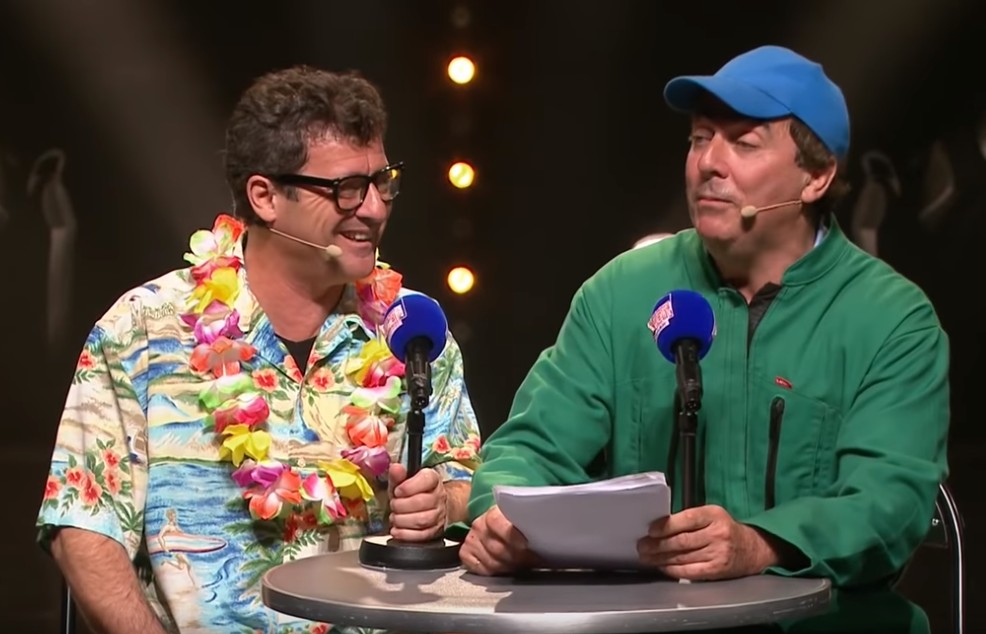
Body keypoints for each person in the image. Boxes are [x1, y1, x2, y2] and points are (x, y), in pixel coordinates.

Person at [461, 45, 949, 633]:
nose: (709, 163)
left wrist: (760, 544)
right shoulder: (621, 292)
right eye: (699, 138)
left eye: (744, 143)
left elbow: (890, 503)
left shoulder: (892, 319)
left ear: (817, 177)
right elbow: (531, 448)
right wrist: (501, 514)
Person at [37, 65, 482, 634]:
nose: (374, 208)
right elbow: (83, 527)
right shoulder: (143, 329)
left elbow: (467, 481)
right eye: (347, 188)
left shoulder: (412, 331)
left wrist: (443, 503)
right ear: (265, 196)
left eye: (382, 181)